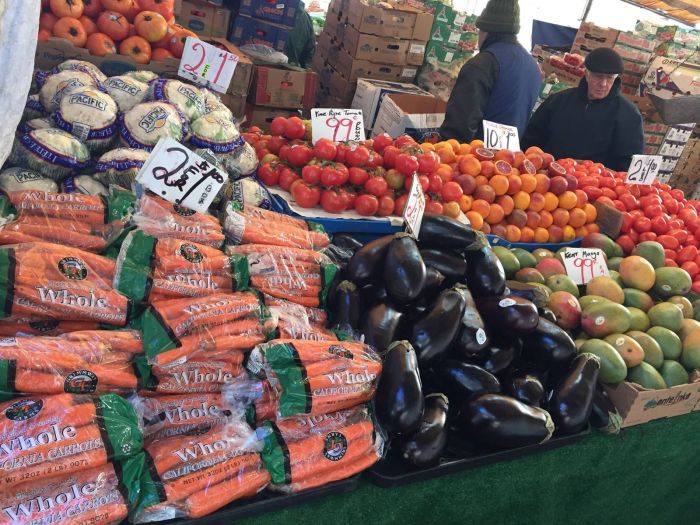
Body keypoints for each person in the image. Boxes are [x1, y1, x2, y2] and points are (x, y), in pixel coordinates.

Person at [522, 48, 644, 171]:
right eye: (598, 76)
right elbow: (531, 139)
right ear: (586, 74)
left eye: (609, 78)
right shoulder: (558, 101)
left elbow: (628, 163)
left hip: (596, 181)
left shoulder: (628, 115)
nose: (603, 83)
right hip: (548, 175)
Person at [439, 0, 541, 143]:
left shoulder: (482, 64)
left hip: (475, 153)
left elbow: (459, 127)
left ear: (485, 31)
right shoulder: (533, 67)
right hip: (510, 155)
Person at [284, 1, 316, 69]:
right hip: (290, 70)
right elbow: (309, 51)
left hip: (267, 66)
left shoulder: (269, 11)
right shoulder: (305, 18)